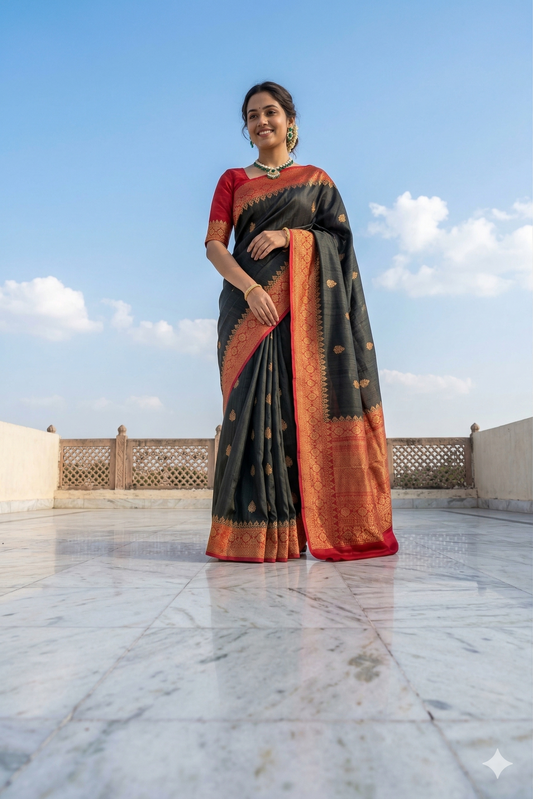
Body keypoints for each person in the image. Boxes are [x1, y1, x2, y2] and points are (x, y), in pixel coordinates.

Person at [204, 81, 398, 563]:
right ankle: (248, 534)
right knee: (246, 418)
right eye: (252, 115)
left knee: (293, 416)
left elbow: (339, 241)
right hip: (246, 313)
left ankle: (297, 533)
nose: (261, 121)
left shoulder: (317, 180)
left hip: (303, 313)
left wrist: (289, 236)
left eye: (270, 112)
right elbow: (214, 246)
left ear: (291, 121)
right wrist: (249, 290)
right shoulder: (232, 180)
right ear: (246, 128)